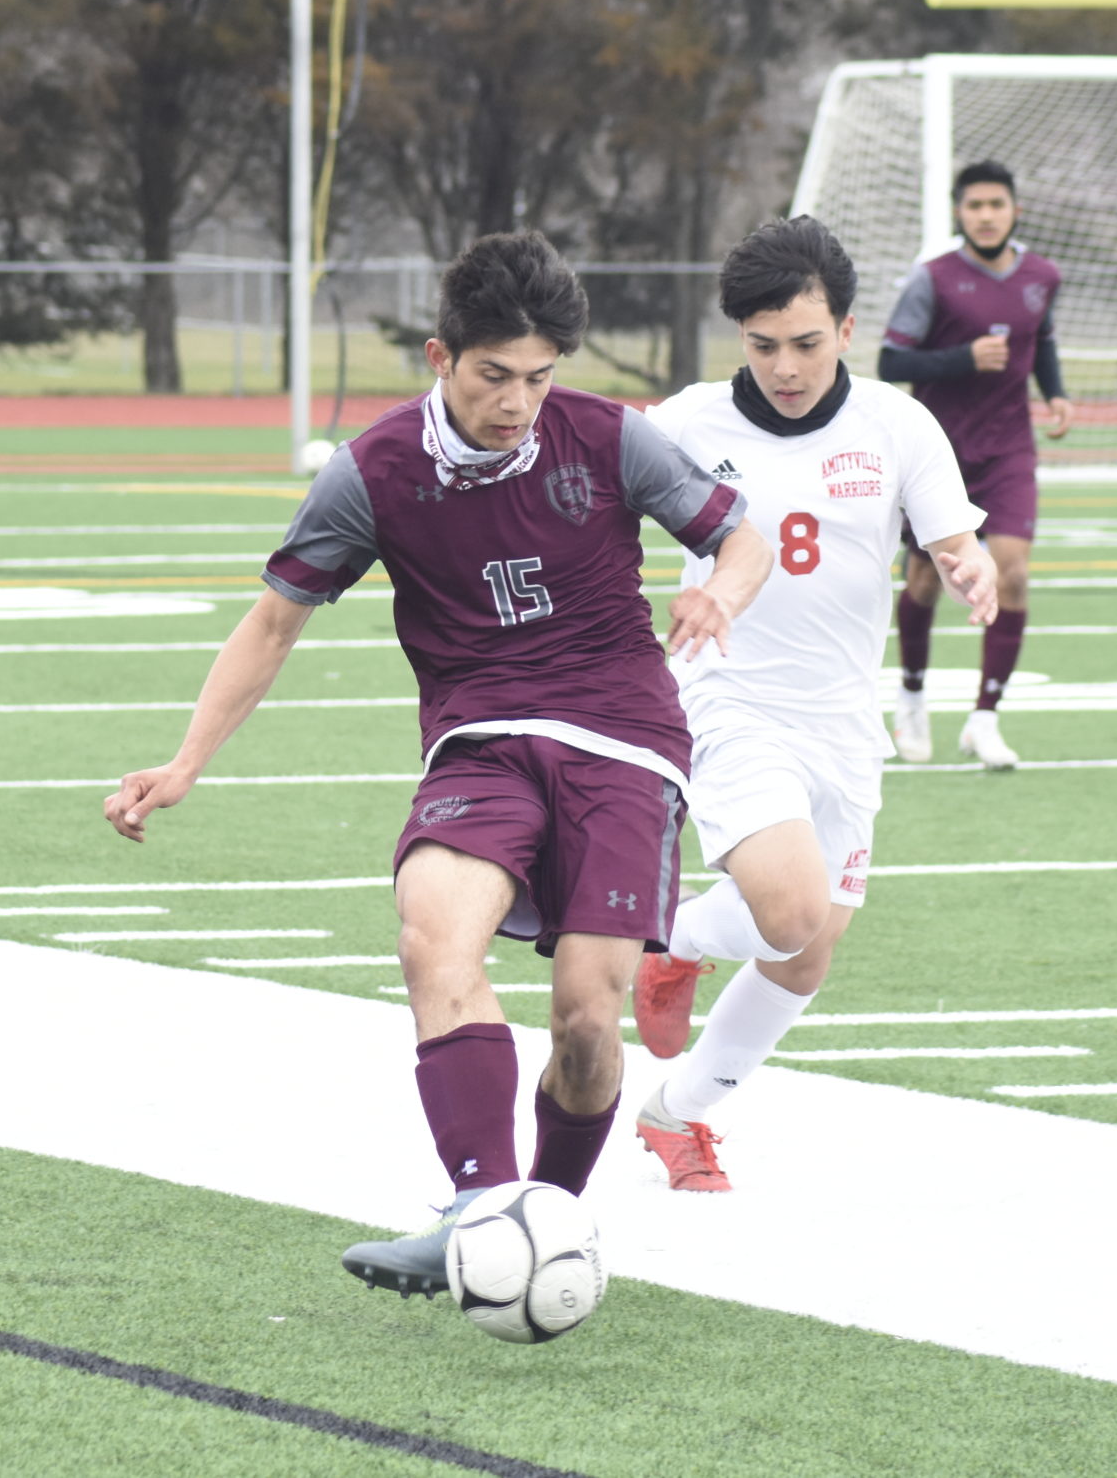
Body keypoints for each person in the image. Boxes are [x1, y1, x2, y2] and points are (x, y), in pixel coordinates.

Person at [103, 231, 771, 1298]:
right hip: (480, 741)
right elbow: (274, 624)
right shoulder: (372, 471)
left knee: (586, 1015)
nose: (518, 401)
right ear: (438, 359)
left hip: (622, 737)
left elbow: (742, 538)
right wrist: (185, 762)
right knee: (431, 942)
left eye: (539, 378)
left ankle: (545, 1223)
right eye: (493, 375)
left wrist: (717, 595)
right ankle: (481, 1215)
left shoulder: (608, 438)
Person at [630, 215, 998, 1190]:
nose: (784, 366)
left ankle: (676, 1114)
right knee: (790, 911)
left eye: (804, 342)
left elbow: (956, 538)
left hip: (842, 719)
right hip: (725, 700)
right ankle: (666, 935)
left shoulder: (896, 424)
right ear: (736, 339)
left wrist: (972, 568)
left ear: (844, 328)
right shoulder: (683, 425)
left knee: (803, 957)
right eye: (761, 346)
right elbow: (582, 510)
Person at [877, 158, 1072, 770]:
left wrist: (1056, 392)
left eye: (996, 204)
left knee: (1012, 574)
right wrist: (962, 358)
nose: (986, 215)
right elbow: (889, 363)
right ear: (958, 213)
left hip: (1010, 447)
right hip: (938, 453)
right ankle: (910, 695)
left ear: (1015, 210)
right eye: (974, 206)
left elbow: (1040, 340)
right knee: (927, 581)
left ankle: (984, 719)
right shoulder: (931, 279)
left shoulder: (1042, 275)